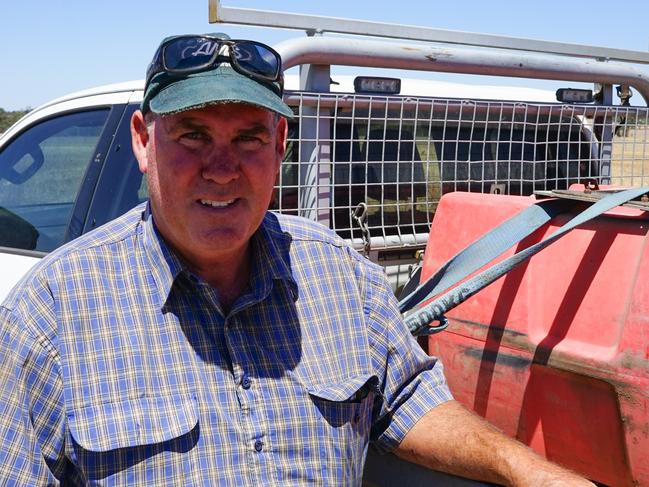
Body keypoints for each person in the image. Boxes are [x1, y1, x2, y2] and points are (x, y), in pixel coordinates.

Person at [0, 33, 594, 486]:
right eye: (193, 135)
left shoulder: (340, 276)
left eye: (249, 138)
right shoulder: (50, 314)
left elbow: (406, 401)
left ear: (281, 147)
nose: (222, 168)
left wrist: (528, 470)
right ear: (141, 139)